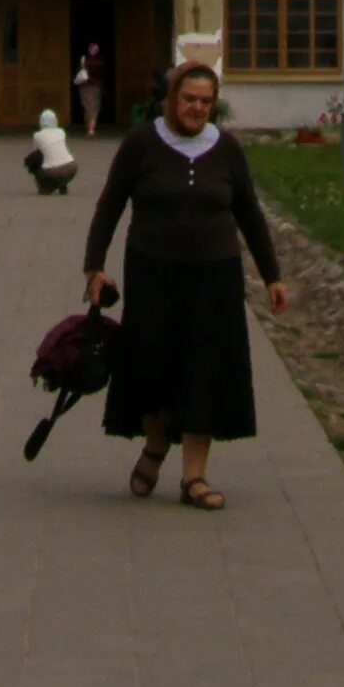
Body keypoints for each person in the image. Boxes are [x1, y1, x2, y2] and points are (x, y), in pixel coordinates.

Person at [82, 60, 287, 511]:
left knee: (205, 370)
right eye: (189, 99)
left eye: (206, 102)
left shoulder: (227, 149)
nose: (197, 108)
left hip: (215, 275)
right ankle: (155, 446)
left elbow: (249, 213)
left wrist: (272, 275)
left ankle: (194, 477)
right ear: (172, 98)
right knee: (151, 367)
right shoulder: (142, 144)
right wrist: (93, 267)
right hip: (153, 273)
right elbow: (110, 204)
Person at [25, 107, 77, 196]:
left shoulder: (38, 135)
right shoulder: (61, 132)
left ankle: (44, 187)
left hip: (51, 172)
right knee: (60, 155)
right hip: (71, 168)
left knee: (33, 159)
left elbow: (37, 155)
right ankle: (63, 185)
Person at [75, 41, 106, 137]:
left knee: (87, 108)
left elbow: (79, 72)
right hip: (96, 86)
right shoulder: (100, 62)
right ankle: (91, 130)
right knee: (94, 108)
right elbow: (103, 75)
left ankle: (89, 129)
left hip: (84, 86)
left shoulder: (84, 60)